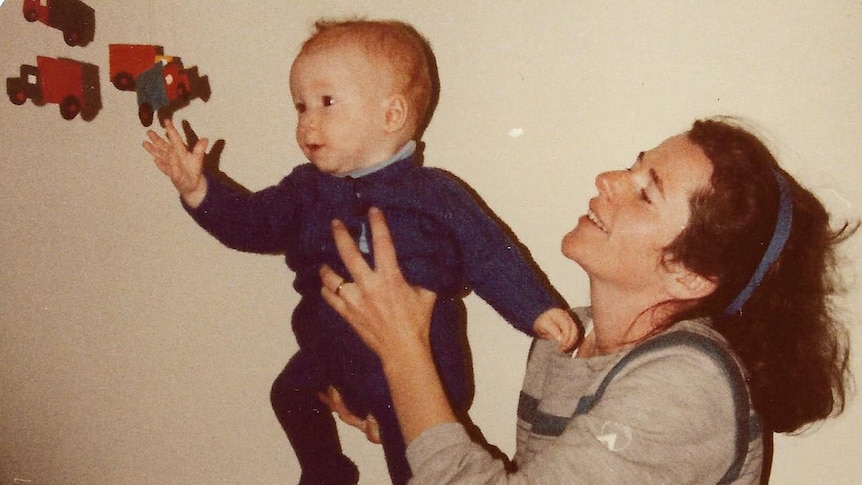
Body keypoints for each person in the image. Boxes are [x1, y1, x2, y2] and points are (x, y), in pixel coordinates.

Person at [142, 18, 578, 485]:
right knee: (288, 394)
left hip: (420, 365)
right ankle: (325, 471)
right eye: (300, 106)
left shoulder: (433, 193)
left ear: (391, 115)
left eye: (327, 102)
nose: (307, 120)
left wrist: (536, 309)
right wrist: (198, 190)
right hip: (328, 354)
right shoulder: (304, 190)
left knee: (409, 450)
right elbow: (253, 224)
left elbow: (490, 253)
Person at [319, 117, 856, 483]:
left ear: (691, 276)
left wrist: (405, 357)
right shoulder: (567, 341)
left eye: (646, 191)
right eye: (634, 163)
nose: (610, 179)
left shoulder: (688, 384)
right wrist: (405, 417)